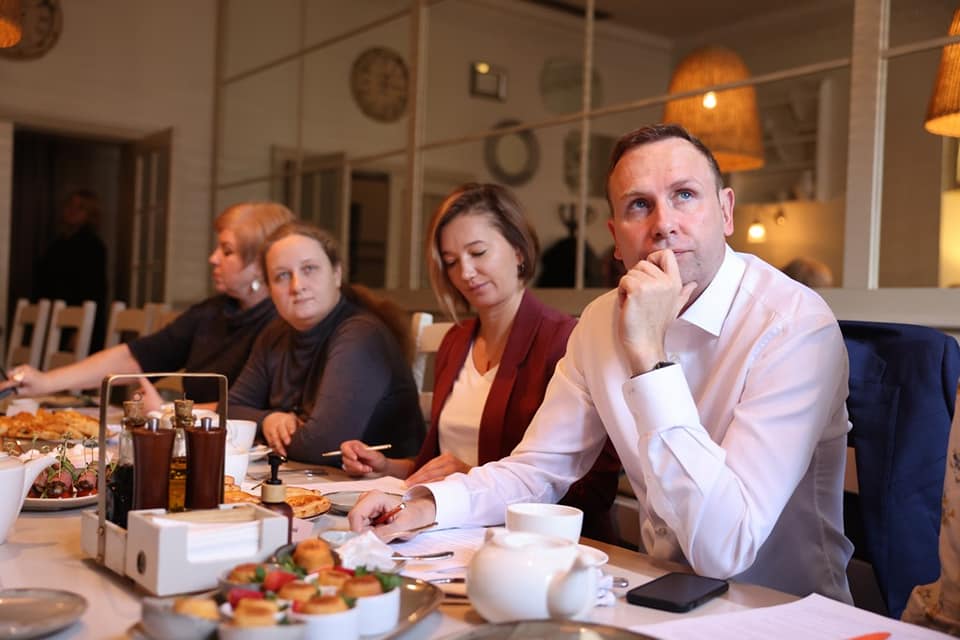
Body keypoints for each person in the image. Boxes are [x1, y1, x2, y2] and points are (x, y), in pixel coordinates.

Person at [349, 124, 853, 602]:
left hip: (781, 612)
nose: (663, 224)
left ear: (725, 212)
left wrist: (649, 358)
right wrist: (426, 505)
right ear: (616, 235)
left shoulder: (794, 325)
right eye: (640, 205)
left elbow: (726, 549)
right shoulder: (598, 322)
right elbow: (538, 470)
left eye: (684, 195)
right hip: (656, 594)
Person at [339, 183, 621, 541]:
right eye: (452, 262)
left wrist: (470, 478)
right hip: (451, 529)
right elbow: (436, 463)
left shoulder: (565, 340)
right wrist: (386, 466)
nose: (466, 272)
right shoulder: (456, 341)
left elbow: (593, 489)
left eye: (478, 252)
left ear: (518, 250)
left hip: (538, 543)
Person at [1, 202, 294, 407]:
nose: (213, 258)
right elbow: (136, 356)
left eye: (227, 251)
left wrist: (168, 412)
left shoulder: (281, 324)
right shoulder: (213, 311)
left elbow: (254, 408)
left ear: (260, 265)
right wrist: (45, 381)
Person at [228, 221, 424, 464]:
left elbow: (322, 447)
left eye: (309, 269)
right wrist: (268, 420)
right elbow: (229, 410)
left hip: (377, 482)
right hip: (307, 477)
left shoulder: (360, 335)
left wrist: (255, 434)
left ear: (336, 274)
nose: (297, 286)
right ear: (269, 290)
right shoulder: (274, 335)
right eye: (282, 276)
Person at [34, 189, 108, 351]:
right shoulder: (56, 245)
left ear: (90, 214)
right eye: (70, 205)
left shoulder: (92, 246)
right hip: (51, 318)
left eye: (80, 207)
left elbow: (94, 290)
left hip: (77, 321)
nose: (72, 210)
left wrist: (81, 328)